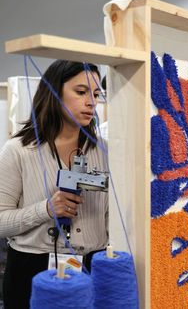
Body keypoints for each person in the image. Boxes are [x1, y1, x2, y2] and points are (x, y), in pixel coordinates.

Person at [0, 60, 109, 309]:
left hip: (92, 267)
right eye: (81, 92)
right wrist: (47, 209)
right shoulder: (19, 151)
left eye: (95, 94)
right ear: (53, 92)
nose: (91, 102)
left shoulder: (105, 150)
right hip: (32, 271)